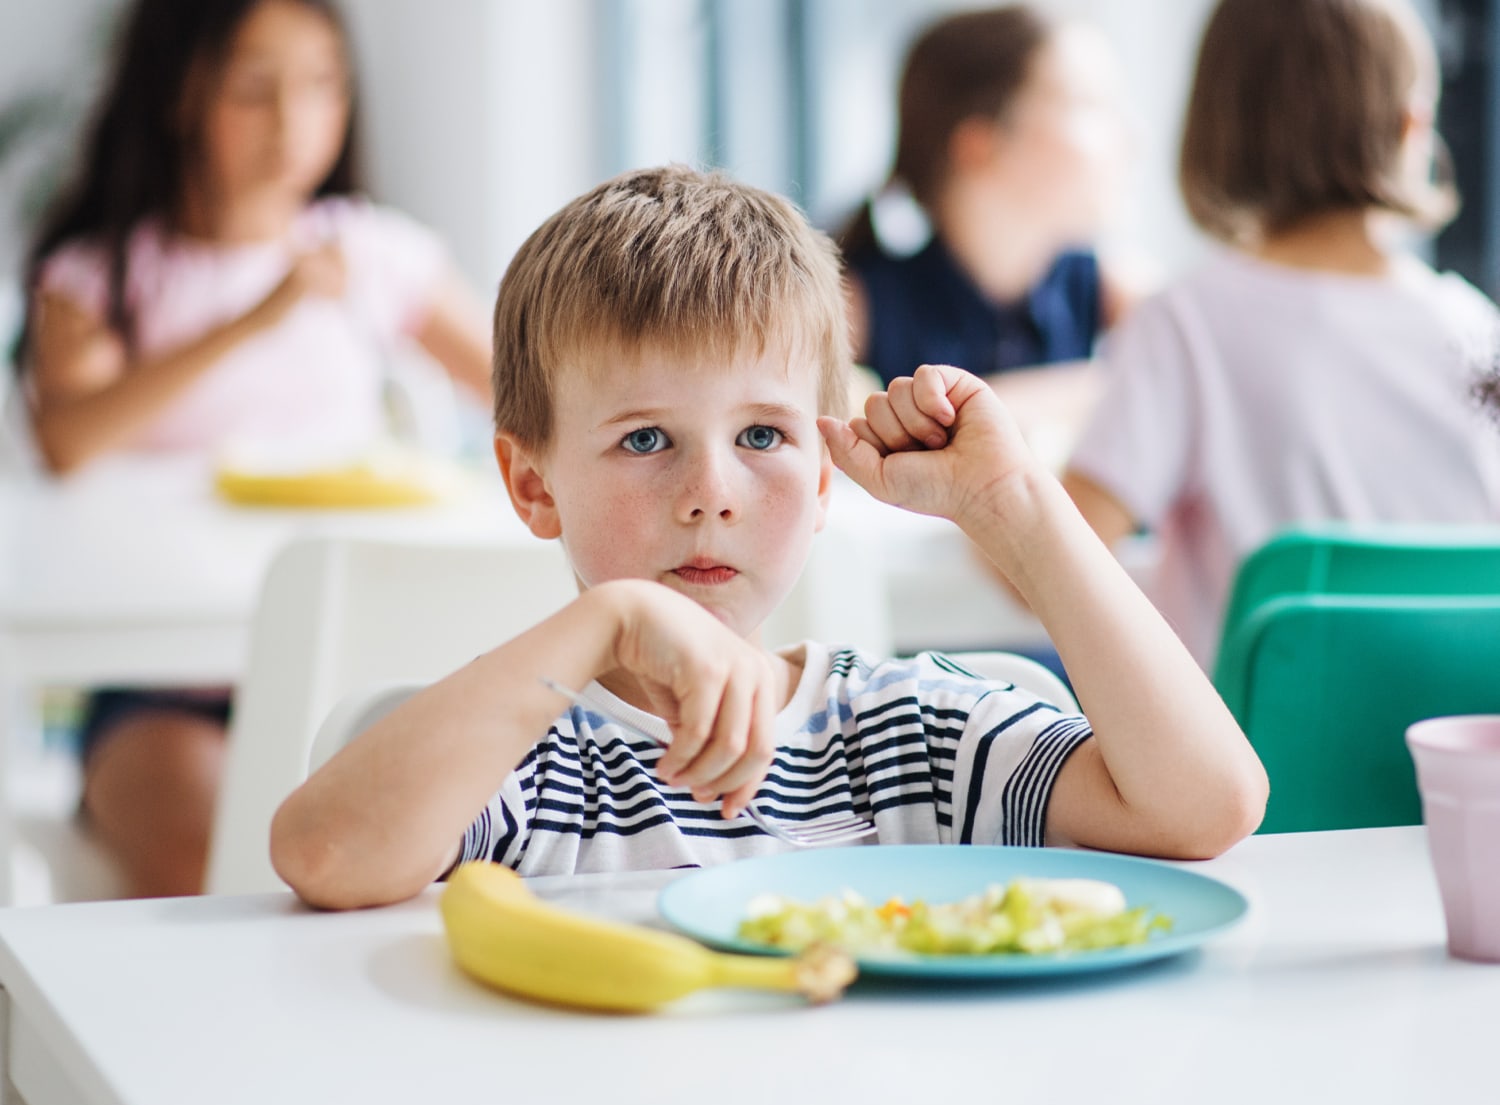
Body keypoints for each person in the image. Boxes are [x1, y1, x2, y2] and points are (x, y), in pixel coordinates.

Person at [269, 166, 1266, 911]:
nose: (710, 493)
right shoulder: (512, 759)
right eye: (646, 439)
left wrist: (1017, 510)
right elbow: (325, 854)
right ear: (535, 487)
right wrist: (610, 621)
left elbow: (1208, 804)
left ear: (825, 474)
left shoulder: (906, 740)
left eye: (762, 436)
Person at [13, 0, 493, 896]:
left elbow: (523, 391)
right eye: (254, 89)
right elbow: (70, 441)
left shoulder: (371, 253)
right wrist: (261, 313)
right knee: (201, 854)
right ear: (182, 96)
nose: (292, 124)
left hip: (350, 672)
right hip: (163, 684)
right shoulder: (101, 279)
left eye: (320, 88)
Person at [1063, 0, 1500, 670]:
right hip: (1447, 759)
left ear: (1214, 128)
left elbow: (1059, 555)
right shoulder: (1476, 329)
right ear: (1412, 127)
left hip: (1253, 765)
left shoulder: (1186, 322)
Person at [839, 5, 1146, 461]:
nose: (1130, 136)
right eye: (1087, 104)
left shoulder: (1111, 288)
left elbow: (1189, 382)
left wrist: (988, 408)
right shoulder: (854, 305)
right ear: (979, 144)